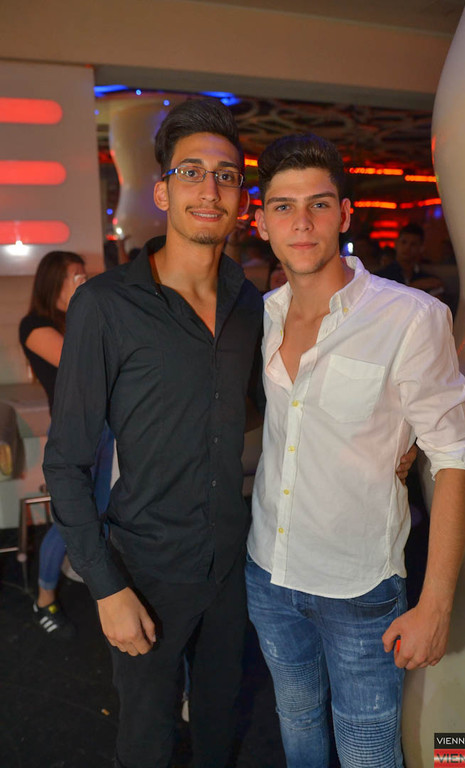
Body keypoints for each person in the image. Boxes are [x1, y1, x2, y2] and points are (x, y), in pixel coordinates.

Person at [245, 134, 465, 768]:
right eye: (284, 206)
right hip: (268, 570)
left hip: (359, 586)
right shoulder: (262, 314)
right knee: (296, 726)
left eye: (319, 204)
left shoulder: (409, 317)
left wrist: (435, 605)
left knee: (368, 753)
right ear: (262, 221)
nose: (301, 223)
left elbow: (455, 454)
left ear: (345, 214)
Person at [43, 98, 263, 768]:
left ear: (240, 198)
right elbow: (66, 463)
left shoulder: (251, 304)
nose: (209, 188)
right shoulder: (106, 304)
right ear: (163, 192)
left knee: (223, 729)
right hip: (146, 570)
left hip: (234, 563)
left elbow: (264, 409)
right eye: (191, 172)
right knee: (147, 744)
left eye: (225, 175)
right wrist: (107, 588)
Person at [19, 250, 114, 639]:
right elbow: (83, 362)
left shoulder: (76, 317)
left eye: (84, 274)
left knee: (101, 509)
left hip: (105, 427)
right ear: (54, 281)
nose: (84, 280)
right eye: (76, 275)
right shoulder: (34, 324)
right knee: (72, 518)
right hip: (74, 433)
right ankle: (44, 599)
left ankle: (93, 578)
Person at [377, 222, 444, 297]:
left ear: (421, 248)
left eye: (413, 244)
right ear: (396, 243)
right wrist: (416, 286)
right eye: (403, 242)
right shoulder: (381, 277)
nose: (407, 248)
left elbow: (437, 302)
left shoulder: (429, 279)